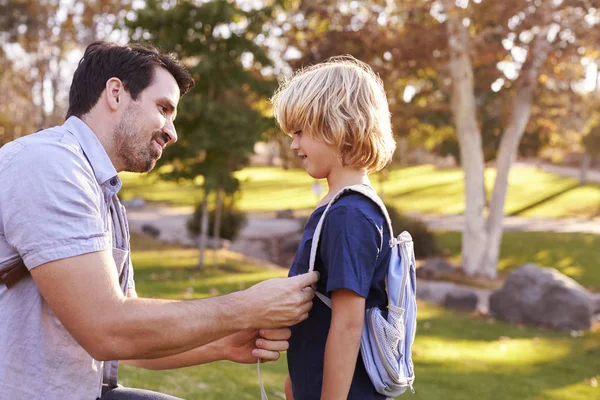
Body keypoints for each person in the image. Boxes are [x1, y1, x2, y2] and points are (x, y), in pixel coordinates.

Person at [0, 41, 318, 400]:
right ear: (116, 93)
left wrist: (223, 343)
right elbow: (107, 330)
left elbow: (131, 336)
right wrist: (246, 307)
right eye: (164, 108)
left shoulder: (104, 196)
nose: (172, 131)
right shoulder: (49, 165)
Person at [271, 56, 396, 400]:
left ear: (337, 126)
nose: (294, 144)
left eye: (300, 132)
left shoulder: (350, 214)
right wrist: (296, 379)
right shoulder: (340, 207)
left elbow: (347, 324)